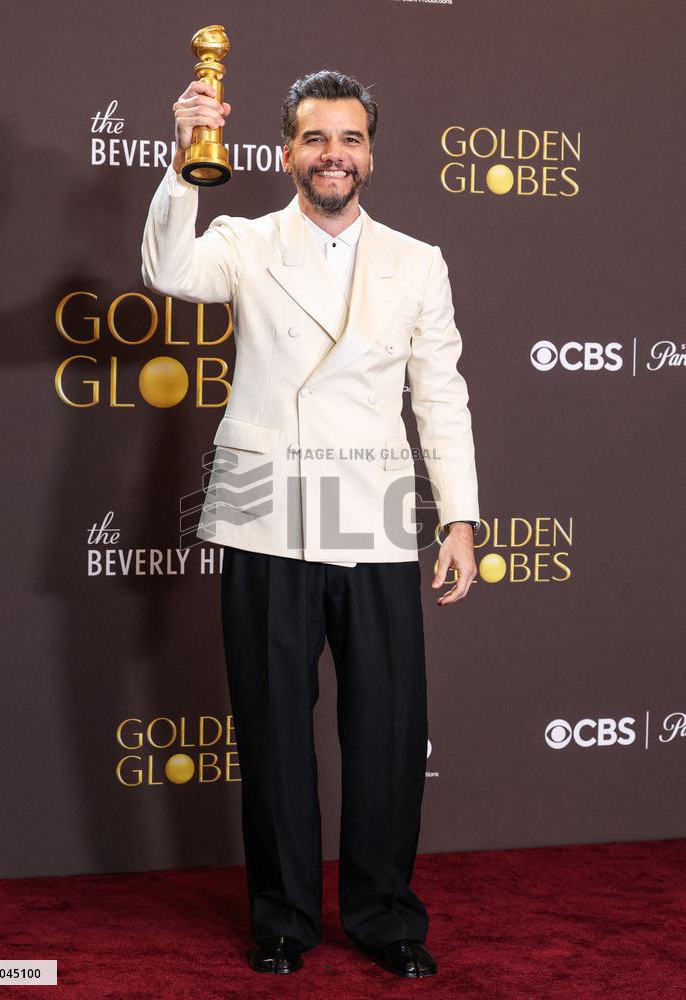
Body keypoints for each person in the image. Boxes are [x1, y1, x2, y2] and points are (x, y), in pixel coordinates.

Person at [142, 70, 480, 980]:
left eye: (350, 138)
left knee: (385, 731)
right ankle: (284, 917)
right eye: (315, 138)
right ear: (286, 151)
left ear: (370, 151)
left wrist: (459, 518)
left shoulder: (418, 259)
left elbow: (438, 396)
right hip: (266, 508)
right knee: (273, 732)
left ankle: (384, 916)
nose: (334, 154)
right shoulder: (243, 242)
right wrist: (186, 159)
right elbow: (166, 272)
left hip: (369, 508)